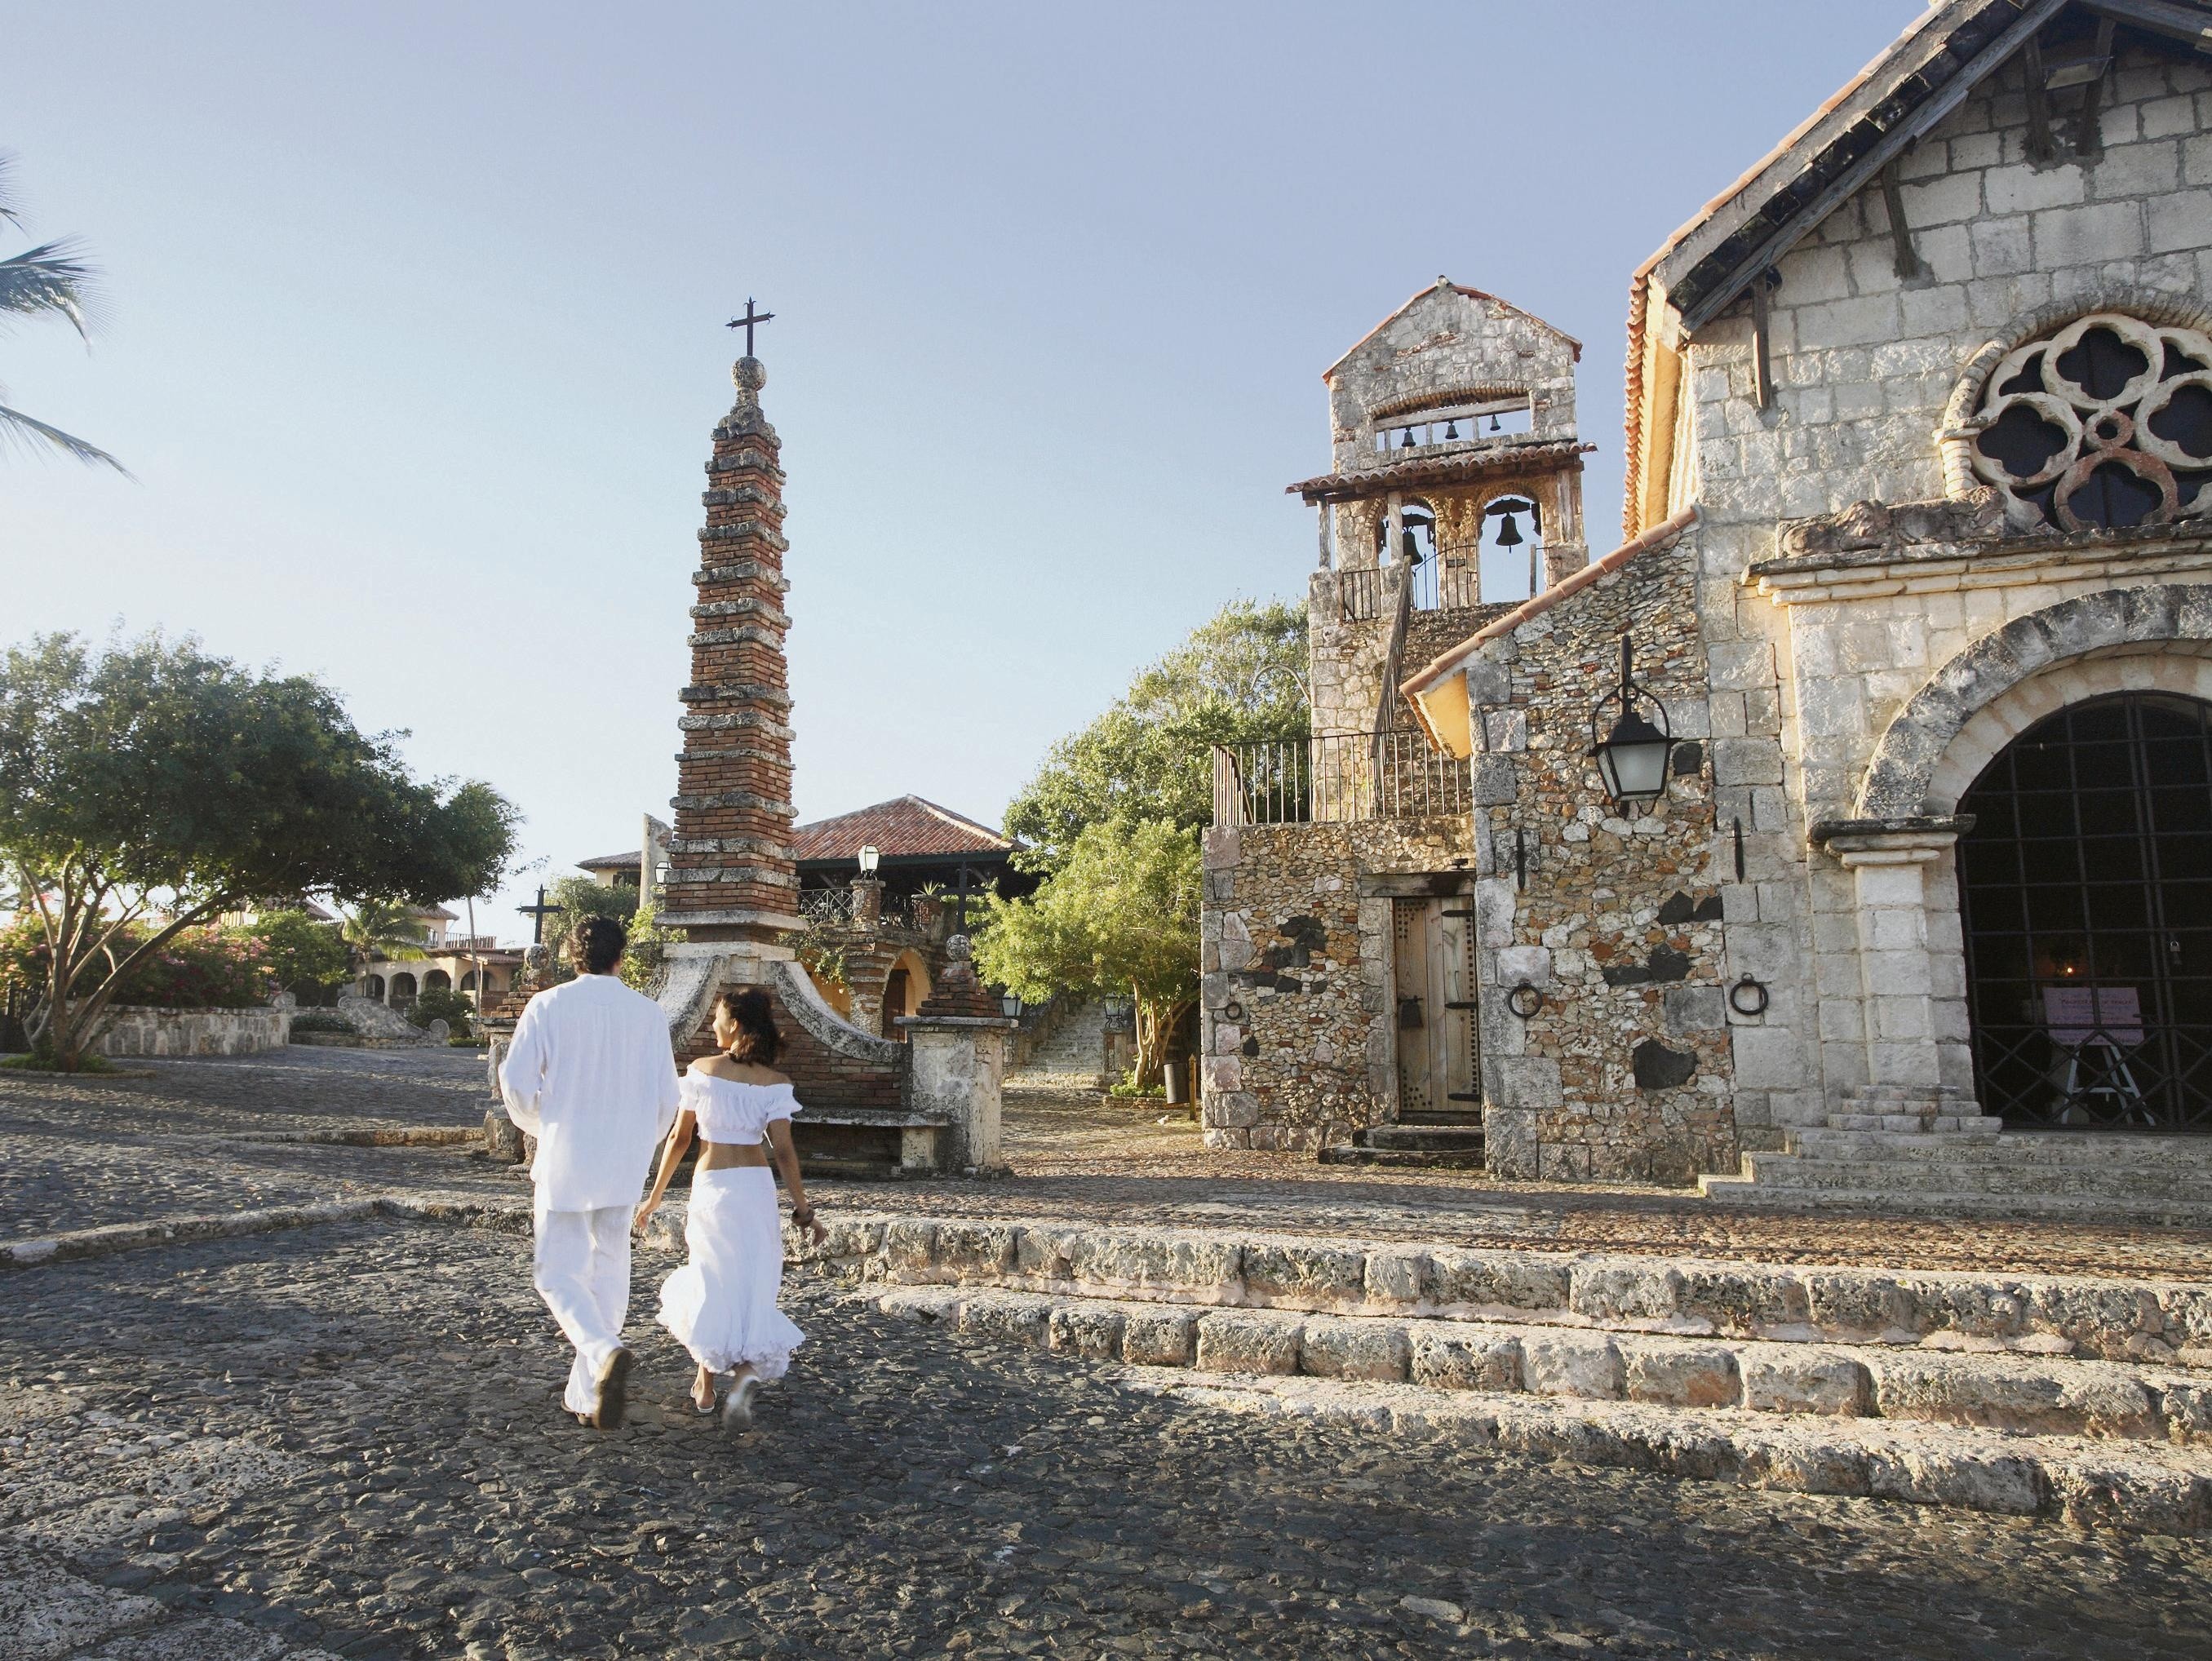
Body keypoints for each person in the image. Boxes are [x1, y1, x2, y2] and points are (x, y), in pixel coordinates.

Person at [499, 915, 680, 1430]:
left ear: (572, 956)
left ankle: (603, 1351)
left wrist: (547, 1123)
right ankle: (587, 1394)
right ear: (621, 957)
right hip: (623, 1162)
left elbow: (516, 1085)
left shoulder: (548, 1005)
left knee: (556, 1272)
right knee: (609, 1270)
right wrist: (638, 1141)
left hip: (567, 1156)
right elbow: (668, 1099)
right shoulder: (648, 1014)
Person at [636, 987, 828, 1432]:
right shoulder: (775, 1083)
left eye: (718, 1017)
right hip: (755, 1189)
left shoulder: (702, 1072)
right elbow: (784, 1152)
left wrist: (655, 1196)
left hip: (714, 1187)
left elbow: (680, 1140)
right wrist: (804, 1210)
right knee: (751, 1278)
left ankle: (705, 1384)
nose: (713, 1025)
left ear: (735, 1024)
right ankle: (743, 1374)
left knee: (711, 1276)